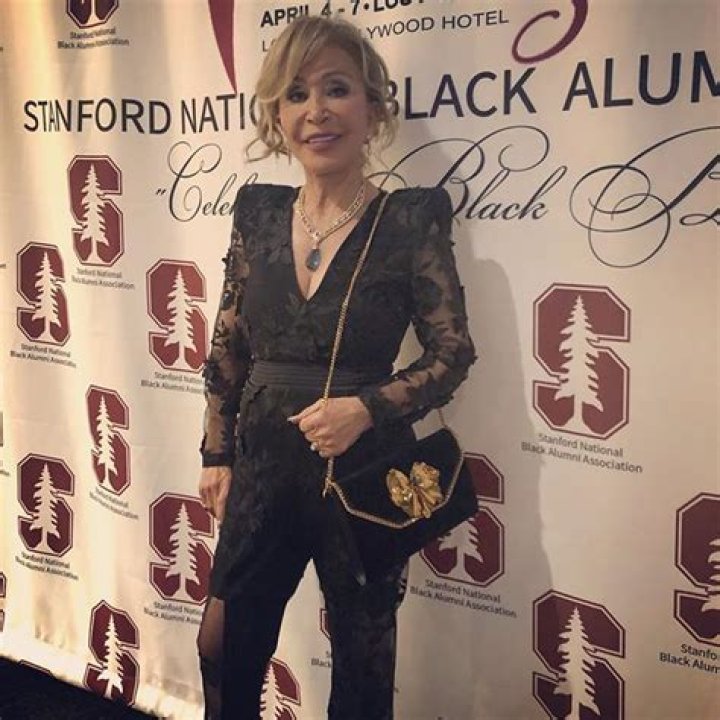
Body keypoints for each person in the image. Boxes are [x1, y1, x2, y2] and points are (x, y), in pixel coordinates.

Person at [196, 14, 475, 720]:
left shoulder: (409, 219)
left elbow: (451, 354)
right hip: (262, 464)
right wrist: (217, 453)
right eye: (296, 94)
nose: (315, 110)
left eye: (336, 88)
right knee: (222, 644)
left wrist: (366, 409)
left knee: (361, 667)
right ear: (277, 115)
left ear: (372, 107)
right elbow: (229, 344)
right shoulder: (258, 213)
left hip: (362, 470)